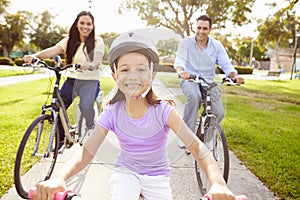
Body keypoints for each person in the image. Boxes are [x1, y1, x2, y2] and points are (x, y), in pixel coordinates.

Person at [32, 31, 236, 200]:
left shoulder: (164, 111)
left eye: (141, 69)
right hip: (125, 174)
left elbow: (197, 148)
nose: (133, 76)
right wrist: (59, 177)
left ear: (152, 74)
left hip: (157, 178)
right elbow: (87, 151)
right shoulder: (112, 112)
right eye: (125, 69)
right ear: (115, 75)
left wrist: (217, 182)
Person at [23, 11, 104, 149]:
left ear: (93, 26)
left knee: (85, 106)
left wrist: (90, 65)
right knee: (58, 107)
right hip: (72, 80)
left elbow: (96, 60)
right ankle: (61, 141)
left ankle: (90, 125)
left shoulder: (98, 41)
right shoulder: (69, 41)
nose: (85, 26)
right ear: (77, 24)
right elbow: (52, 50)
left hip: (90, 81)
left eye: (89, 24)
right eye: (82, 23)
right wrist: (35, 56)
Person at [174, 15, 244, 148]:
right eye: (199, 28)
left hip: (208, 83)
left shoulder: (216, 46)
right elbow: (179, 61)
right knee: (195, 98)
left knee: (219, 112)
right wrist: (181, 71)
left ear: (210, 29)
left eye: (204, 28)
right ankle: (185, 137)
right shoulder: (186, 43)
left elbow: (227, 65)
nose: (201, 31)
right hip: (190, 80)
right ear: (195, 28)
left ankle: (205, 139)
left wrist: (235, 76)